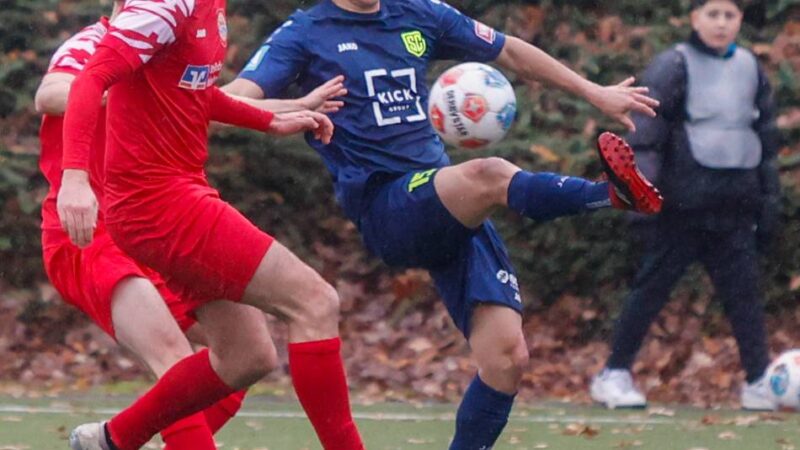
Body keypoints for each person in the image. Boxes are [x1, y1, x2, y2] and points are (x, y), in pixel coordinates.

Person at [224, 0, 663, 448]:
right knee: (489, 175)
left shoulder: (418, 13)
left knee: (506, 359)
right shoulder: (304, 33)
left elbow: (509, 51)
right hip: (386, 206)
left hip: (445, 200)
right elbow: (231, 99)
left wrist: (594, 91)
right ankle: (608, 194)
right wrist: (297, 104)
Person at [56, 0, 364, 449]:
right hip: (159, 204)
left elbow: (191, 91)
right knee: (315, 302)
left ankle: (113, 439)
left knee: (245, 357)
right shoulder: (167, 4)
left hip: (173, 196)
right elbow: (91, 78)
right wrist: (75, 178)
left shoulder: (210, 6)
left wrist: (268, 120)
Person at [589, 0, 781, 411]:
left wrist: (768, 200)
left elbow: (764, 139)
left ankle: (758, 379)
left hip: (734, 206)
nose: (721, 23)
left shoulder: (751, 67)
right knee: (651, 290)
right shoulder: (673, 65)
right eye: (712, 14)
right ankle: (614, 373)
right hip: (682, 207)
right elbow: (646, 136)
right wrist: (640, 197)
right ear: (695, 19)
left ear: (740, 21)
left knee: (744, 295)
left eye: (730, 15)